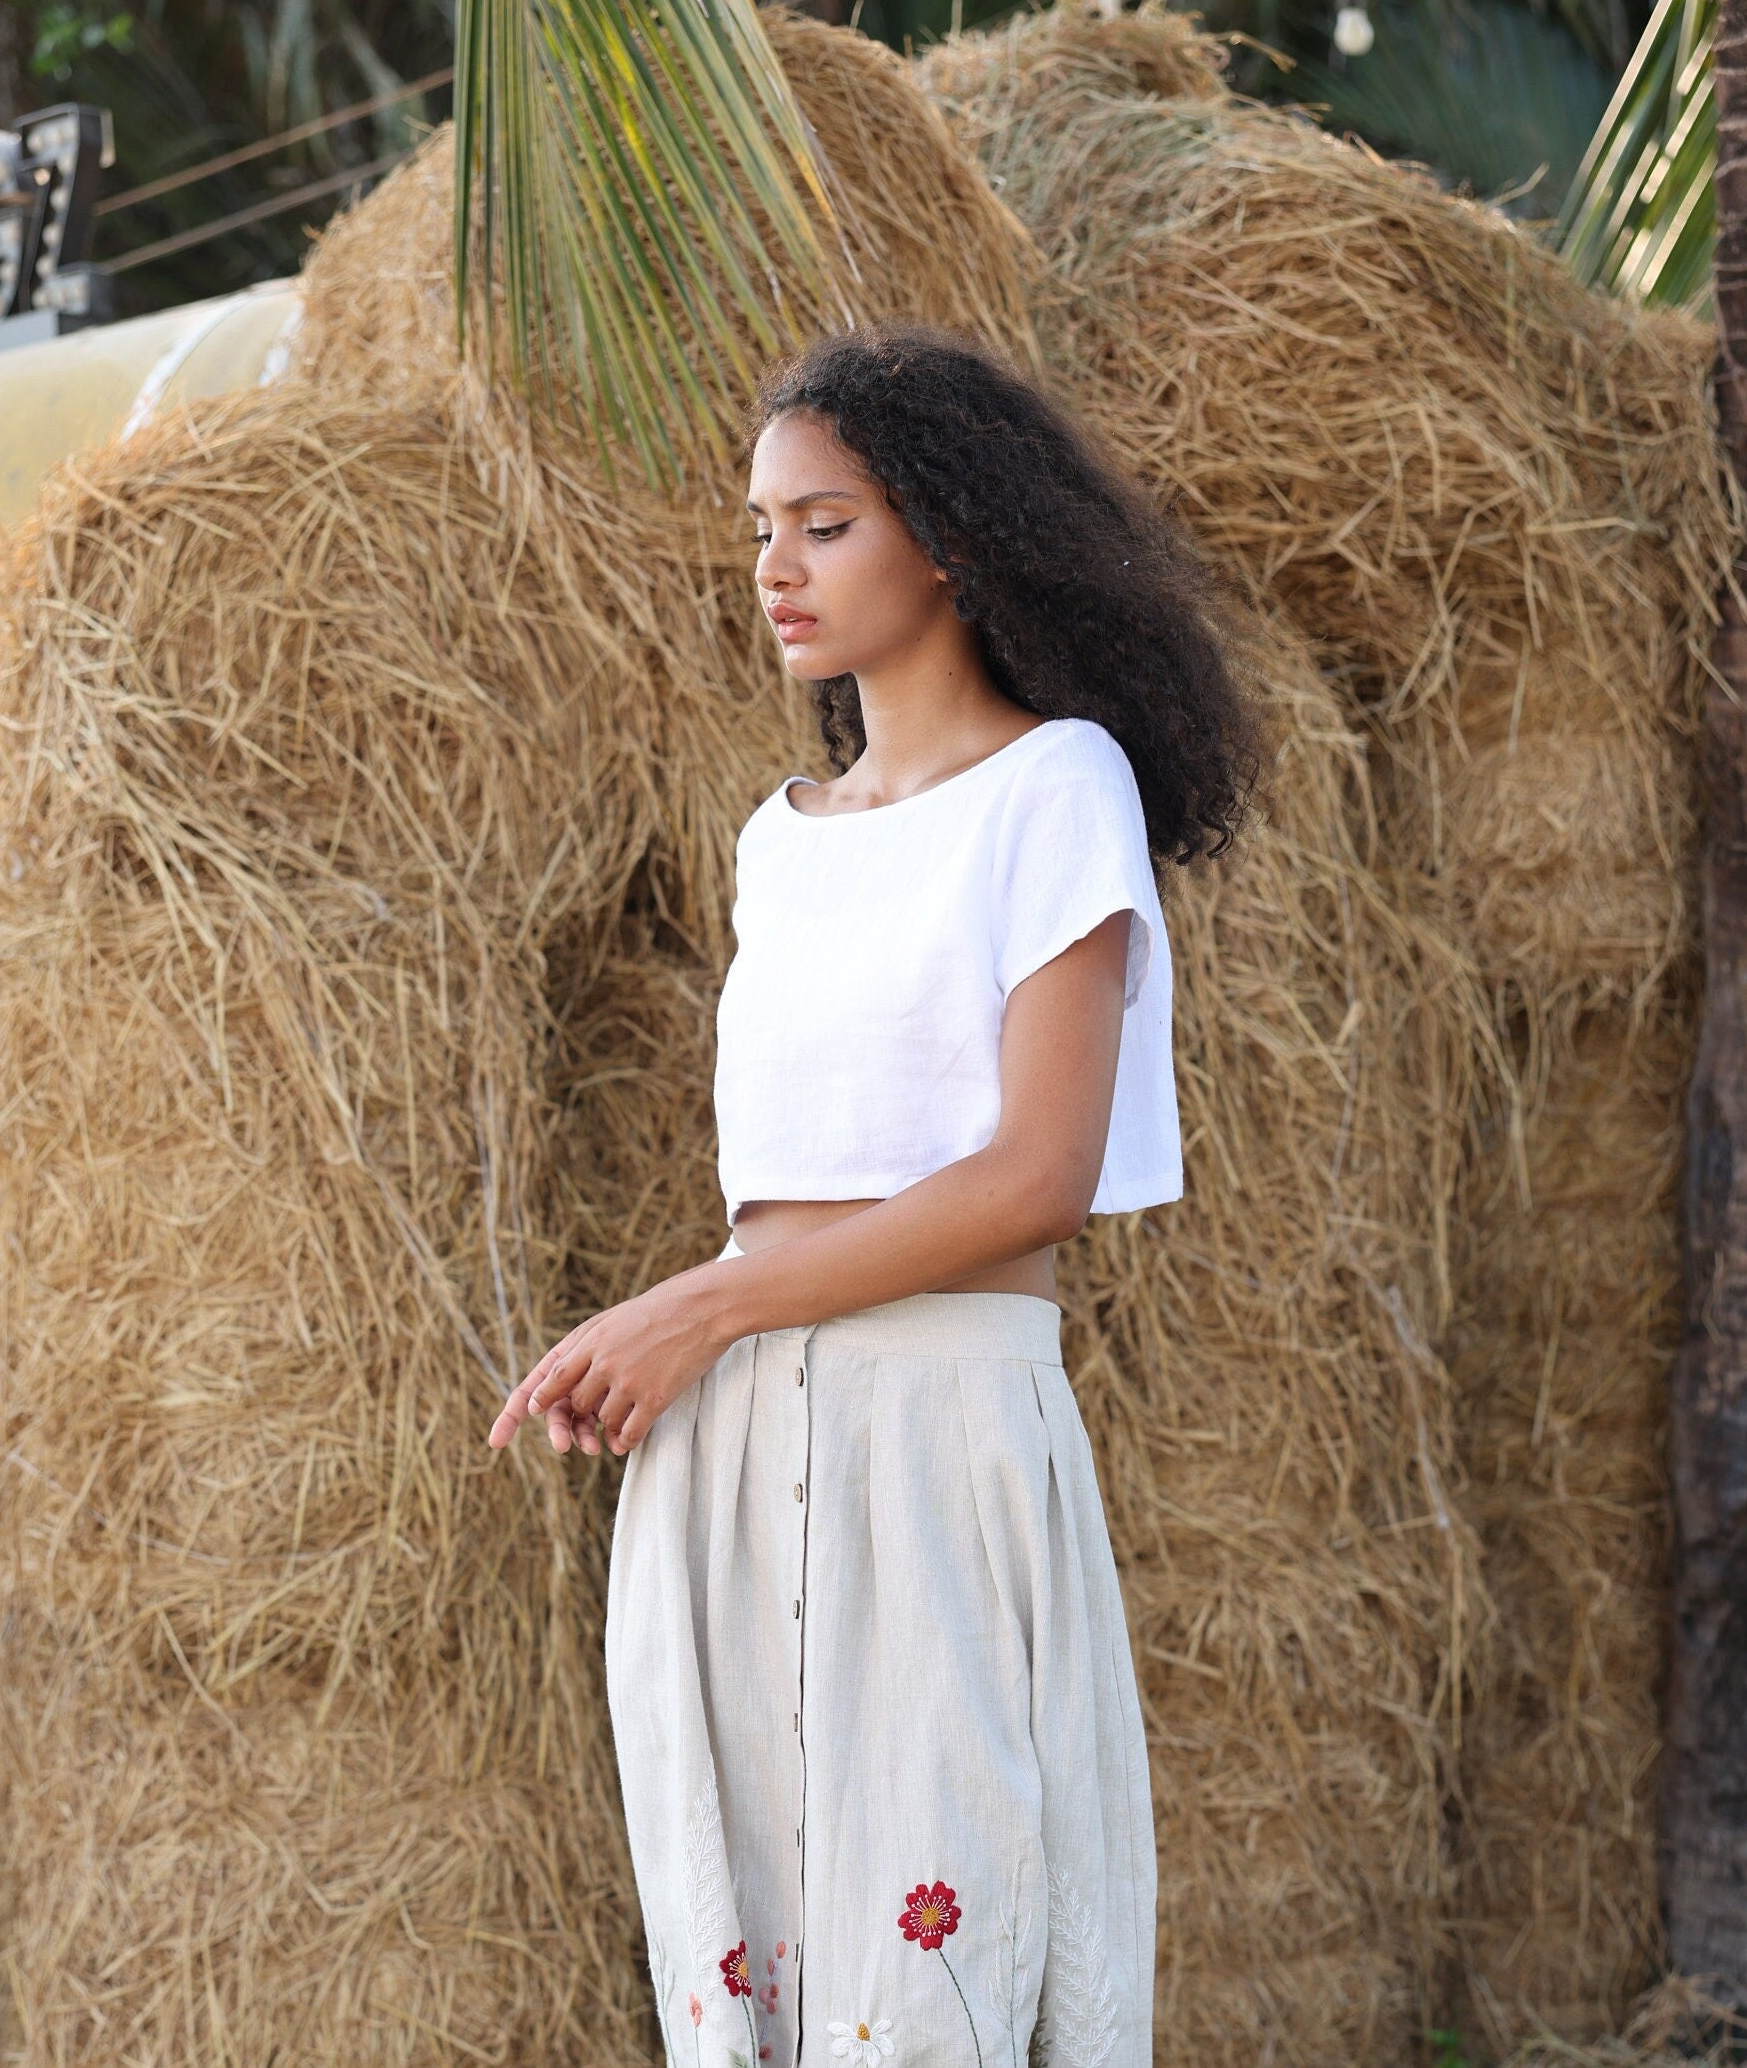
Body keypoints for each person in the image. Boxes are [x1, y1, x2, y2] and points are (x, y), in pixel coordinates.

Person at [487, 320, 1258, 2068]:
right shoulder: (783, 835)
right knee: (747, 1966)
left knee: (931, 1985)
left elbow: (1035, 1174)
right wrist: (706, 1326)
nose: (775, 567)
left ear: (953, 533)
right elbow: (791, 1191)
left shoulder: (1060, 788)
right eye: (760, 526)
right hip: (740, 1450)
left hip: (937, 1437)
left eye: (824, 523)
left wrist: (693, 1305)